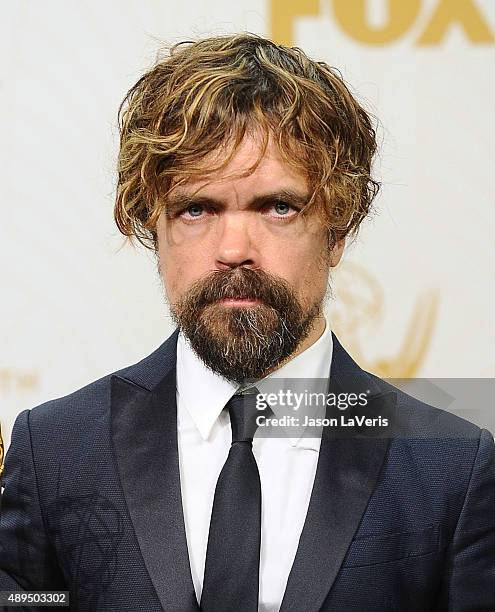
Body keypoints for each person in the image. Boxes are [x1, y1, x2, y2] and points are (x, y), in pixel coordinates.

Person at [0, 33, 494, 612]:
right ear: (151, 229)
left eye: (277, 207)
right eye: (196, 209)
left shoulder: (449, 466)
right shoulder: (55, 446)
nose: (234, 248)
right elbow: (35, 602)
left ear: (337, 230)